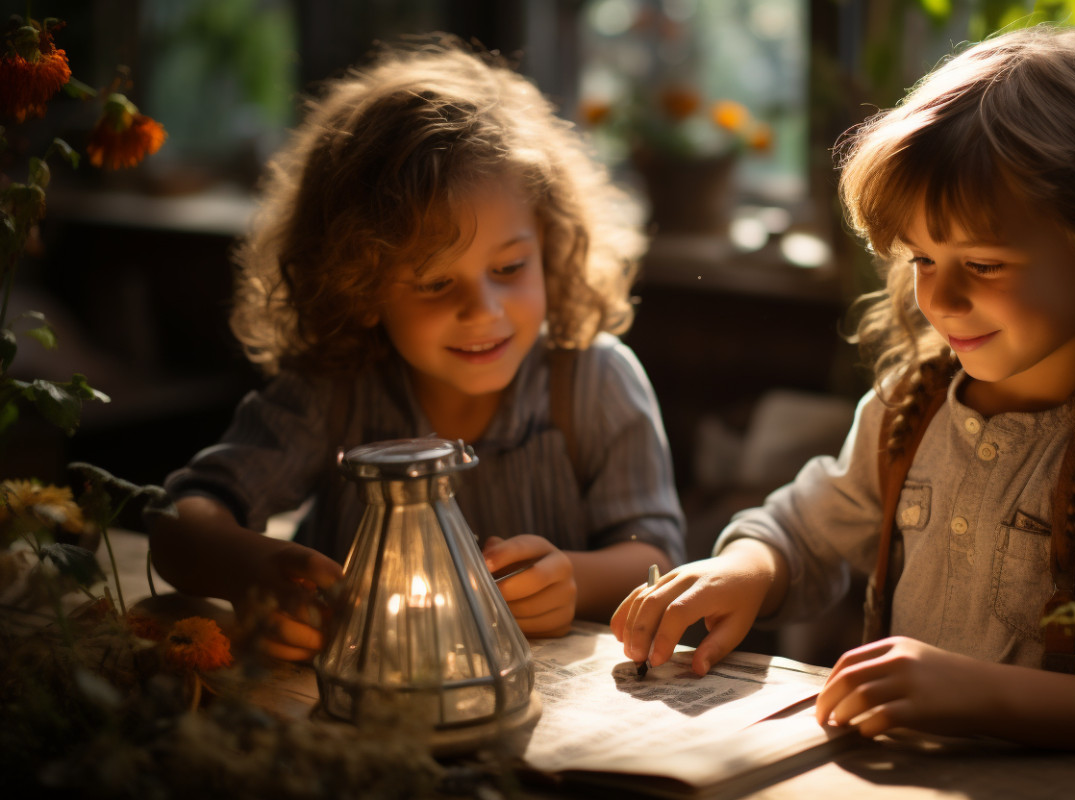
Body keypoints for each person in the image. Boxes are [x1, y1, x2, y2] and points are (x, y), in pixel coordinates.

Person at [612, 25, 1075, 753]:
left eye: (984, 263)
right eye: (921, 258)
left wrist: (979, 694)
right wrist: (743, 571)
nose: (940, 299)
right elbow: (804, 531)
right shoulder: (907, 411)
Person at [148, 36, 684, 662]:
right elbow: (174, 522)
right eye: (434, 282)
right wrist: (244, 568)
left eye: (510, 267)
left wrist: (571, 578)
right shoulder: (335, 388)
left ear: (552, 244)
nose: (483, 309)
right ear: (360, 286)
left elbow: (657, 559)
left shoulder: (593, 381)